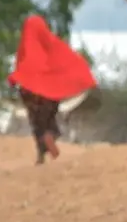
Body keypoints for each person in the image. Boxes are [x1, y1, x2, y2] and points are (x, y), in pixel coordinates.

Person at [7, 14, 96, 165]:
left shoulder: (26, 45)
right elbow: (68, 59)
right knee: (49, 119)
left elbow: (20, 67)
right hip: (49, 92)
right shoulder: (51, 43)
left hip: (29, 92)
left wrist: (13, 81)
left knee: (36, 123)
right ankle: (50, 137)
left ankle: (41, 154)